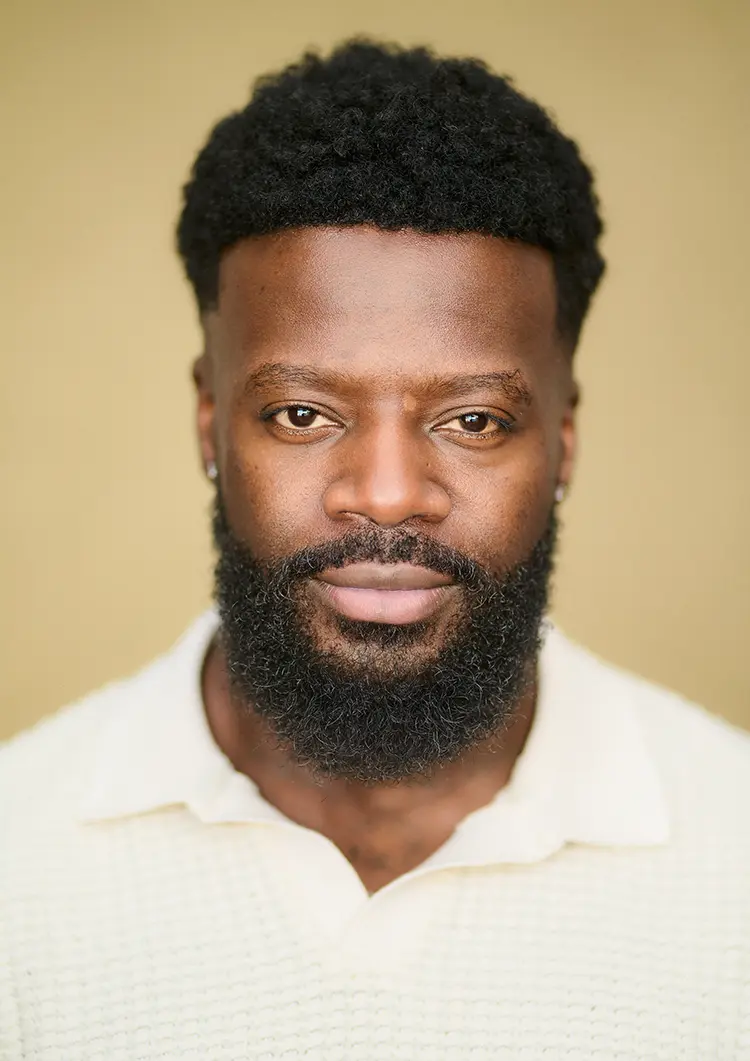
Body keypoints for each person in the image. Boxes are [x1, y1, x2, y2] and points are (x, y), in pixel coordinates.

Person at [1, 39, 748, 1061]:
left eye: (474, 420)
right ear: (209, 422)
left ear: (563, 439)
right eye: (303, 412)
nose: (388, 492)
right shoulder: (18, 860)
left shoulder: (733, 853)